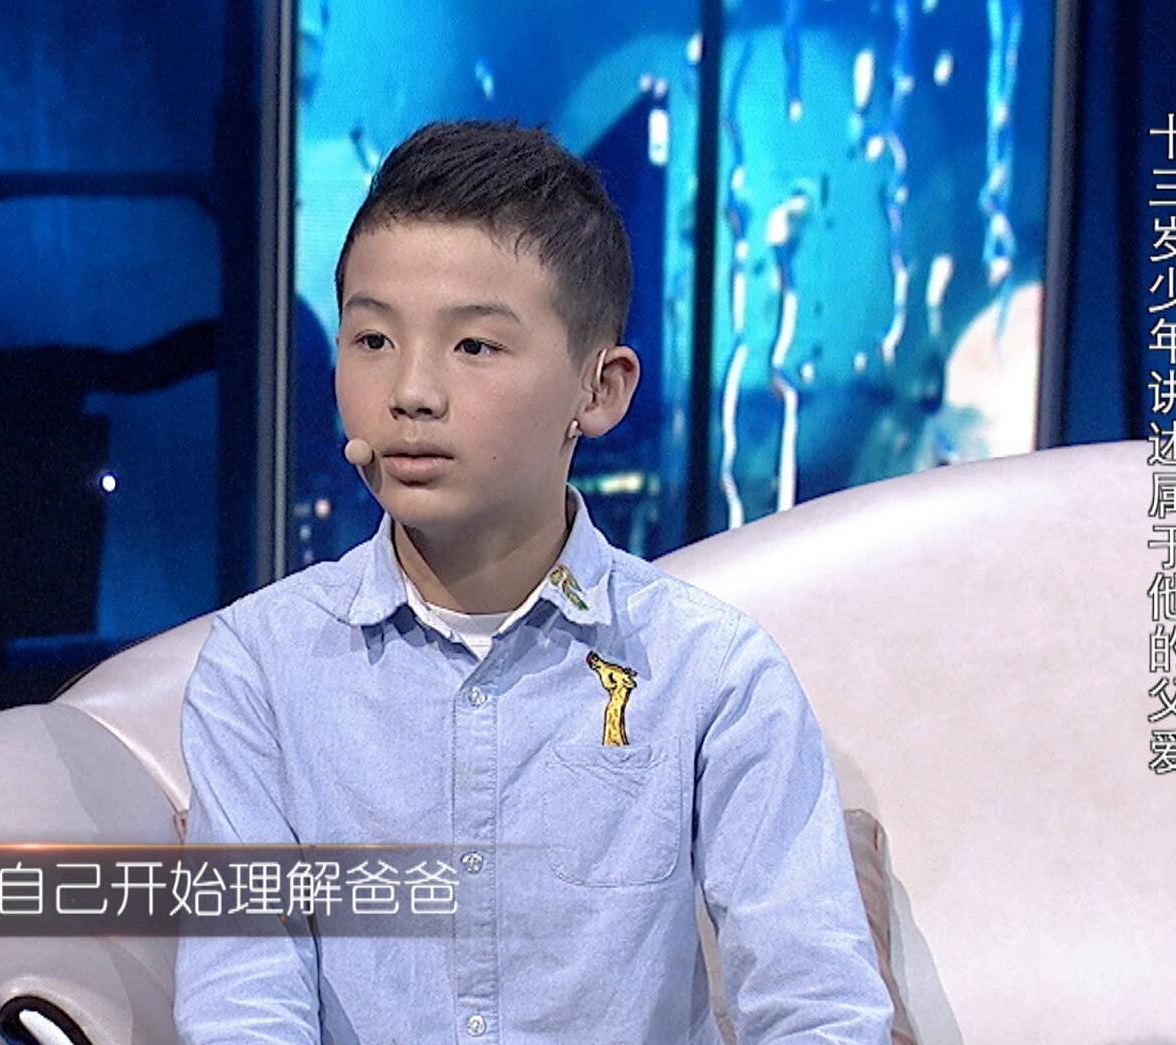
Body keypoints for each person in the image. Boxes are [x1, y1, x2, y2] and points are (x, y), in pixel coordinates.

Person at [174, 119, 894, 1043]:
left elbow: (818, 1007)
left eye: (474, 347)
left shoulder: (711, 672)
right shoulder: (260, 667)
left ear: (601, 389)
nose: (411, 392)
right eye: (373, 339)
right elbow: (241, 1007)